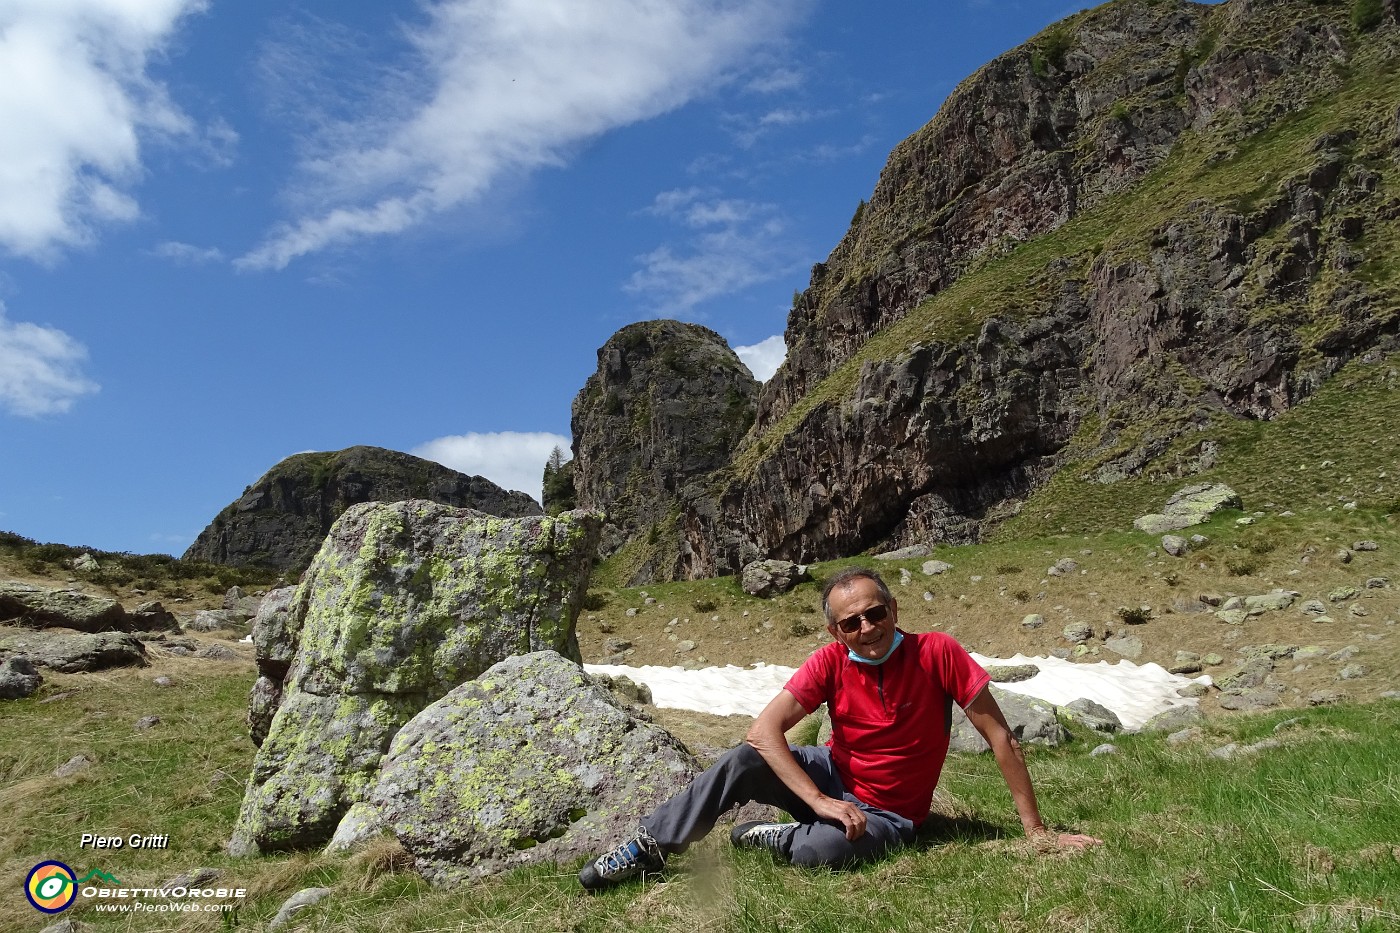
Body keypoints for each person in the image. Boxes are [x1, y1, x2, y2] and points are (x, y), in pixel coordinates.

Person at [579, 566, 1101, 890]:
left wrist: (1035, 832)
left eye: (875, 614)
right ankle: (649, 845)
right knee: (743, 759)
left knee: (821, 852)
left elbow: (999, 738)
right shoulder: (831, 661)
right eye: (850, 623)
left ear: (893, 610)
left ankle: (782, 837)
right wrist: (822, 800)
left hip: (891, 814)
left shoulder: (936, 652)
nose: (866, 629)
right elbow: (763, 731)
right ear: (835, 631)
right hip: (832, 777)